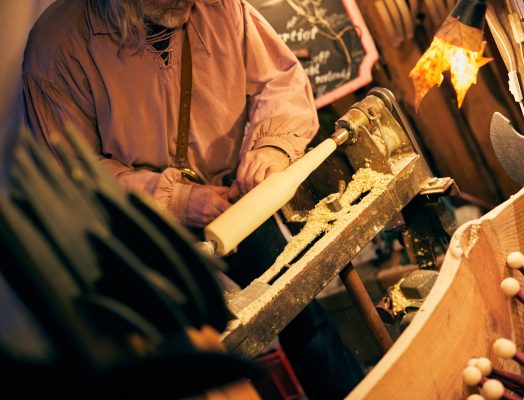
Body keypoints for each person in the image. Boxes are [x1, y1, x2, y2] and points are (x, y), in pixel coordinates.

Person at [23, 0, 364, 398]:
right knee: (202, 368)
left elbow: (280, 78)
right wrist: (176, 200)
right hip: (144, 233)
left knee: (301, 315)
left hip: (235, 204)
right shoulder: (58, 47)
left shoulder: (219, 6)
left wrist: (272, 146)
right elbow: (74, 175)